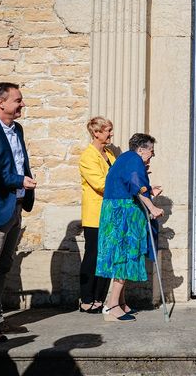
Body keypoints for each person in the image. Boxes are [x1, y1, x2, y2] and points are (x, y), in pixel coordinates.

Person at [96, 133, 164, 322]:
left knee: (122, 257)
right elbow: (136, 186)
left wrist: (150, 191)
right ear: (141, 149)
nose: (152, 155)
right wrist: (153, 207)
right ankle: (111, 306)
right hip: (123, 214)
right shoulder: (134, 159)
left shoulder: (126, 158)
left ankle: (121, 302)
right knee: (123, 257)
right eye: (151, 150)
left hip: (118, 210)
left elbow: (132, 184)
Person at [0, 82, 36, 340]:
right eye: (18, 100)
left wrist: (25, 183)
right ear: (1, 103)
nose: (22, 104)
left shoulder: (16, 129)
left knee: (5, 266)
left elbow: (20, 161)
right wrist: (18, 180)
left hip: (16, 206)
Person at [78, 116, 116, 314]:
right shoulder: (88, 156)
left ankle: (99, 298)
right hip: (95, 215)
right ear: (96, 133)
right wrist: (122, 182)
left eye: (110, 130)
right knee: (93, 256)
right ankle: (86, 299)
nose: (111, 134)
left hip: (110, 213)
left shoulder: (109, 154)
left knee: (107, 257)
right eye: (108, 130)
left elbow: (118, 174)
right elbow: (100, 184)